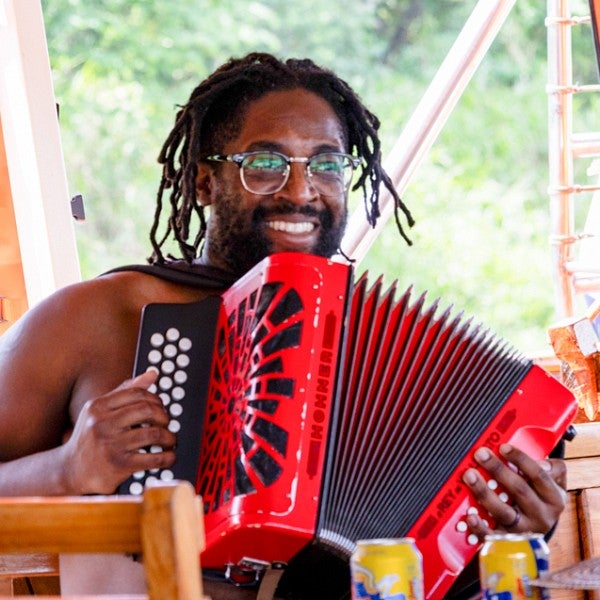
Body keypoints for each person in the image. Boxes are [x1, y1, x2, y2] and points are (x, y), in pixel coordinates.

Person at [0, 53, 567, 599]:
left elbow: (416, 567)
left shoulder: (383, 347)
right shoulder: (92, 317)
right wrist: (65, 468)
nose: (300, 192)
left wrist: (508, 532)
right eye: (265, 165)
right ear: (203, 184)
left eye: (326, 164)